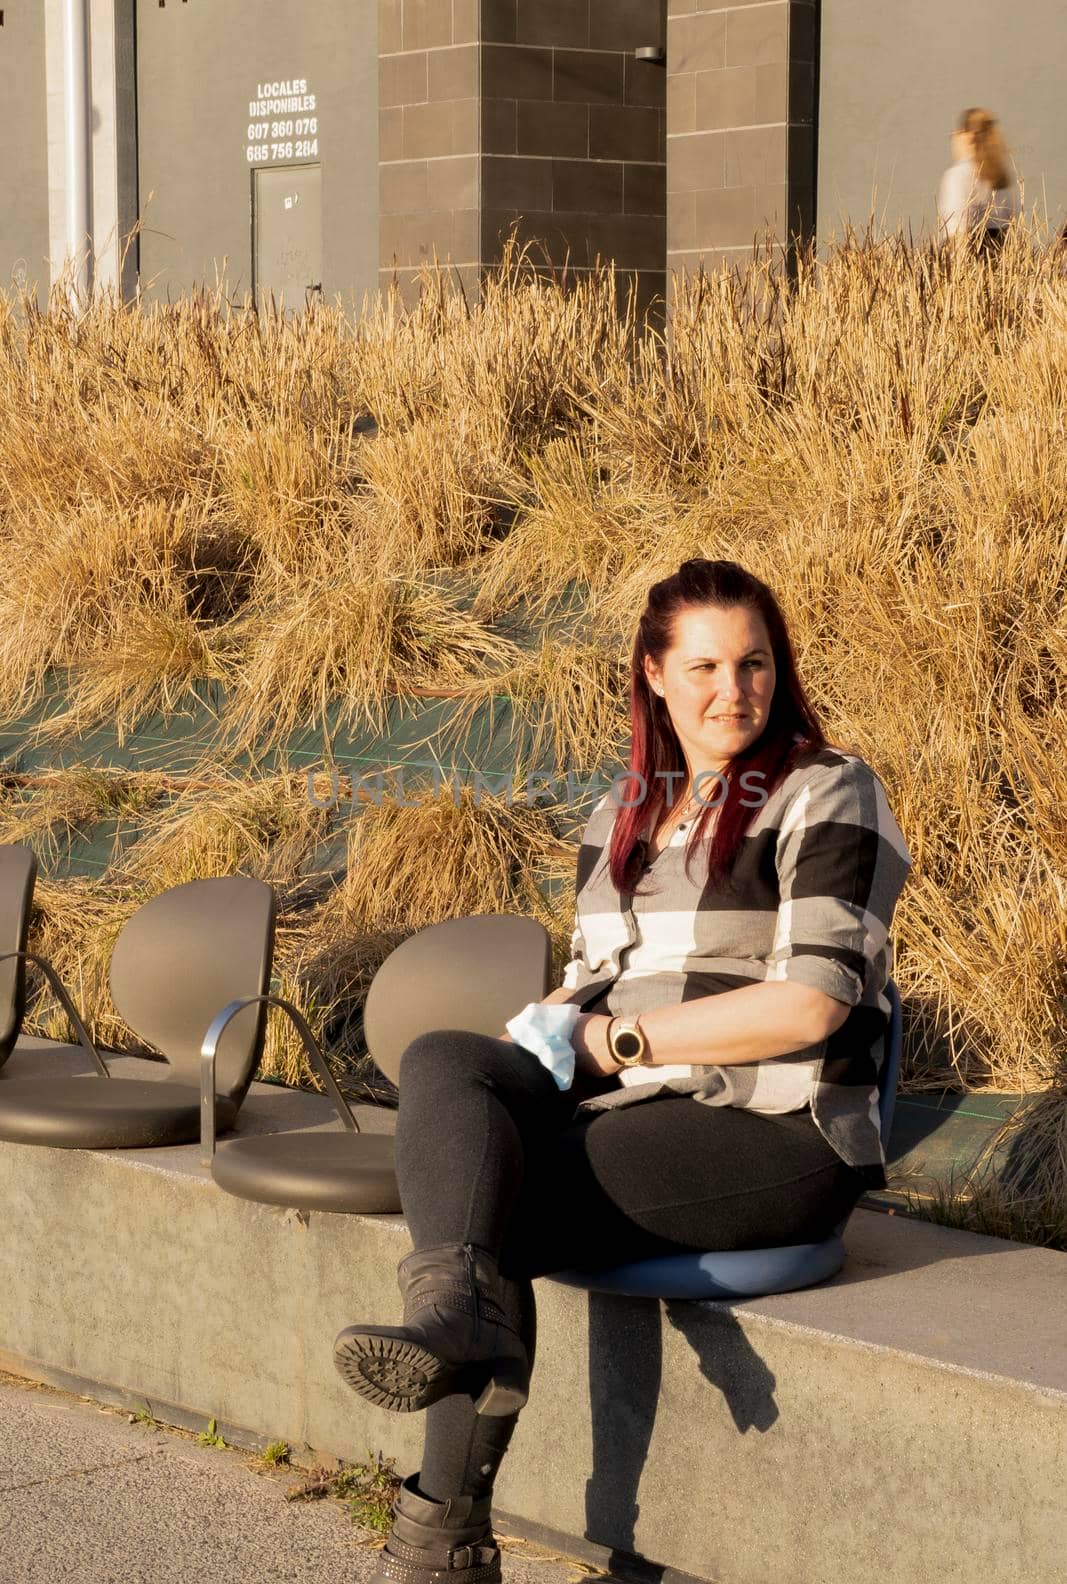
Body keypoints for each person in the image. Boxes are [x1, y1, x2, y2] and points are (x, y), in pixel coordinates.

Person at [332, 557, 913, 1584]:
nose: (730, 690)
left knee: (488, 1202)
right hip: (624, 1099)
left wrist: (620, 1044)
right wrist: (556, 1023)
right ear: (651, 672)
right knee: (445, 1063)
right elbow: (596, 971)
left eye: (752, 664)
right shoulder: (621, 812)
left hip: (773, 1123)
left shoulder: (826, 791)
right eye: (702, 666)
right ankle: (454, 1324)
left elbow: (813, 1002)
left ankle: (435, 1547)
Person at [937, 106, 1020, 251]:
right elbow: (1012, 227)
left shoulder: (958, 176)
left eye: (955, 134)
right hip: (1000, 260)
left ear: (968, 137)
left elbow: (958, 232)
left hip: (970, 262)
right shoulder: (1001, 177)